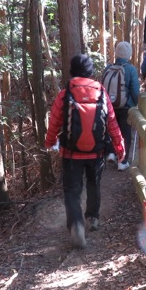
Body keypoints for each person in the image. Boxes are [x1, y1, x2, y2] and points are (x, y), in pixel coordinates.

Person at [45, 54, 125, 249]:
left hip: (71, 154)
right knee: (94, 184)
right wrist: (120, 147)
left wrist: (50, 142)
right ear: (90, 72)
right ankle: (93, 217)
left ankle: (76, 225)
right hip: (97, 152)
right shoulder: (101, 92)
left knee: (72, 191)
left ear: (72, 70)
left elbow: (55, 121)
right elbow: (112, 123)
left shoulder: (66, 94)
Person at [104, 41, 139, 171]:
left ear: (117, 54)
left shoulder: (108, 68)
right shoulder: (130, 69)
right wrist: (136, 104)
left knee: (112, 131)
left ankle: (111, 153)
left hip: (109, 107)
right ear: (129, 54)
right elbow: (135, 91)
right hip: (125, 107)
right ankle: (122, 161)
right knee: (125, 133)